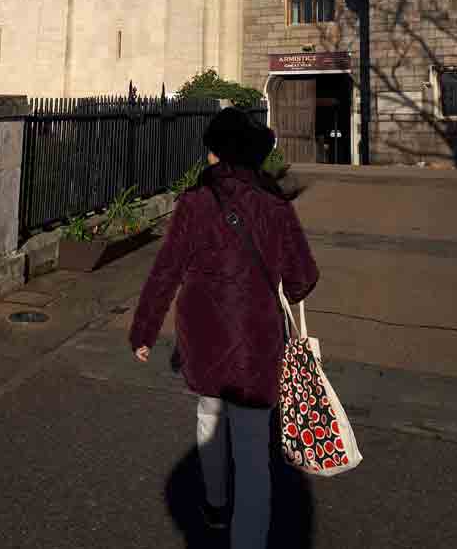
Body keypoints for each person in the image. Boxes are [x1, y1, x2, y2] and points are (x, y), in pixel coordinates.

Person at [129, 107, 319, 548]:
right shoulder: (275, 204)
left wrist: (144, 330)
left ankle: (215, 504)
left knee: (209, 416)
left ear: (217, 154)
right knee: (253, 452)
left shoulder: (195, 201)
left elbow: (166, 270)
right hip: (256, 339)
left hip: (203, 334)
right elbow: (303, 277)